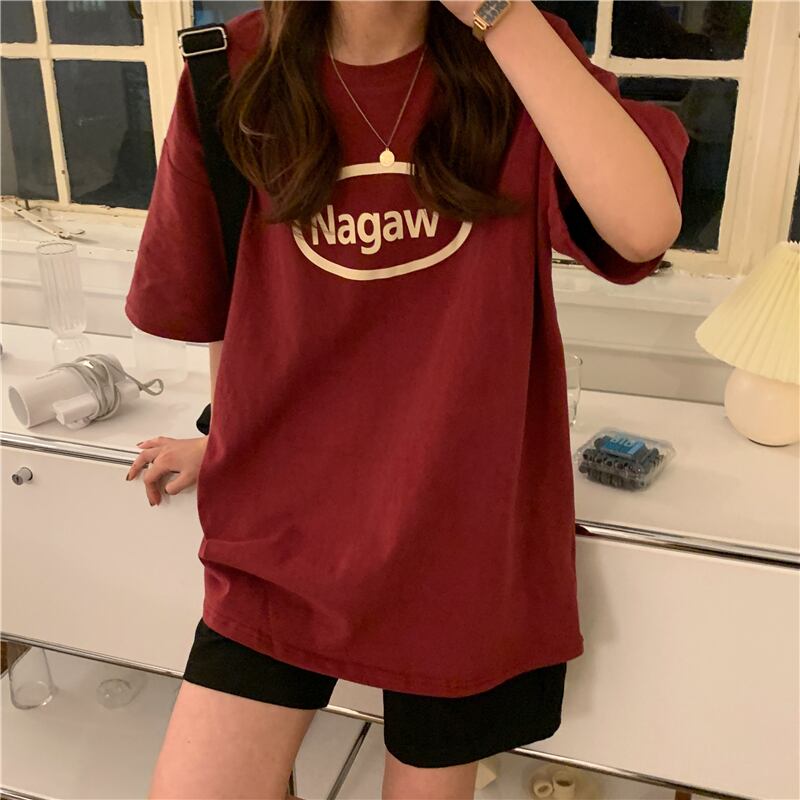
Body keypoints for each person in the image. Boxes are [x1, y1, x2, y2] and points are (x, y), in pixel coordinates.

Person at [124, 2, 688, 797]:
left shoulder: (514, 51)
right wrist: (226, 437)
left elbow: (643, 227)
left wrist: (499, 13)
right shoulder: (228, 69)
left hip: (457, 542)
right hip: (282, 538)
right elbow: (235, 307)